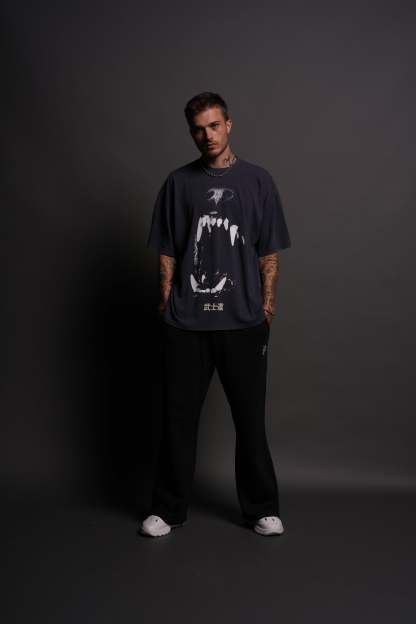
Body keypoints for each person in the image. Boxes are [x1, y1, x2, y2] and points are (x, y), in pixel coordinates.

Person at [139, 91, 291, 537]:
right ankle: (167, 510)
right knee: (177, 421)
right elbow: (167, 250)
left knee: (250, 421)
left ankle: (262, 508)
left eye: (214, 126)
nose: (207, 135)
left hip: (244, 322)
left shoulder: (259, 181)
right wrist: (166, 303)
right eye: (198, 129)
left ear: (229, 125)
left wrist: (266, 307)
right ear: (191, 133)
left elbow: (269, 252)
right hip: (187, 325)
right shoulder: (178, 183)